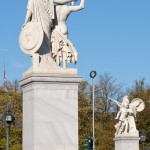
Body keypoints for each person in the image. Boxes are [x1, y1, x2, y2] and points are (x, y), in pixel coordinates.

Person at [51, 0, 85, 68]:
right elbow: (81, 6)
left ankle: (56, 65)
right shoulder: (68, 8)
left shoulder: (53, 8)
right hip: (64, 28)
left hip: (56, 28)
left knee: (55, 47)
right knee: (65, 47)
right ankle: (65, 65)